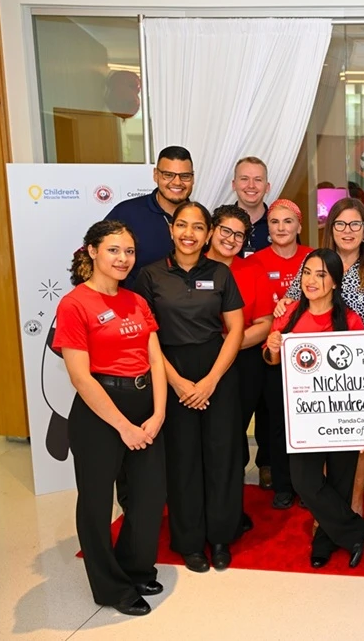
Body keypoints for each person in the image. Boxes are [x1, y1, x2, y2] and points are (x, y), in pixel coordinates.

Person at [53, 220, 166, 617]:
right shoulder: (74, 304)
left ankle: (135, 568)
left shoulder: (136, 300)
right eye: (114, 250)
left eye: (129, 251)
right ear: (92, 251)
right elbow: (80, 377)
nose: (123, 258)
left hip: (144, 406)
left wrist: (158, 415)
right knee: (97, 504)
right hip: (100, 413)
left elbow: (155, 360)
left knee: (149, 497)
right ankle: (110, 587)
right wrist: (123, 427)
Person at [134, 202, 245, 573]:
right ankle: (190, 541)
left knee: (222, 455)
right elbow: (147, 337)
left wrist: (211, 380)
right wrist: (177, 382)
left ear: (208, 233)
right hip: (170, 371)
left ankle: (221, 536)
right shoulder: (150, 276)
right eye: (182, 225)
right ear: (171, 229)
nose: (189, 234)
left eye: (198, 227)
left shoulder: (220, 273)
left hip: (217, 371)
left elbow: (236, 330)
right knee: (182, 460)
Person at [275, 198, 364, 514]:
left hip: (362, 371)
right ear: (331, 229)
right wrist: (282, 306)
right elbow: (292, 301)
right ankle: (329, 510)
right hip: (318, 374)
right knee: (326, 440)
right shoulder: (317, 263)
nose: (347, 230)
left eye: (355, 224)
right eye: (340, 224)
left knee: (360, 443)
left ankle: (354, 504)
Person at [265, 248, 364, 569]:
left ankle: (326, 539)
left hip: (342, 413)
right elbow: (270, 360)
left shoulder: (350, 320)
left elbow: (363, 373)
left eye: (321, 275)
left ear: (335, 282)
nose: (311, 280)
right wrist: (273, 347)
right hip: (302, 415)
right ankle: (355, 530)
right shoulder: (290, 313)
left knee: (340, 480)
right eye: (307, 273)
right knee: (304, 481)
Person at [205, 205, 273, 531]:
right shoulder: (190, 267)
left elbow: (264, 324)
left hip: (243, 363)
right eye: (225, 231)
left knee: (233, 437)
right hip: (196, 363)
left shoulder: (253, 269)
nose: (231, 239)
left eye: (239, 235)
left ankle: (229, 507)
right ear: (211, 230)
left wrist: (227, 344)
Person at [247, 199, 314, 499]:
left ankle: (306, 477)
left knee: (304, 416)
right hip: (269, 348)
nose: (281, 228)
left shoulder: (312, 257)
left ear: (299, 226)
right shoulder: (254, 262)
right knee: (271, 415)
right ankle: (274, 472)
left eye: (288, 221)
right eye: (275, 222)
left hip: (307, 351)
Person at [105, 145, 195, 286]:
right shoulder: (127, 213)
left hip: (188, 299)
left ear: (193, 178)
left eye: (185, 176)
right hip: (135, 299)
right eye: (168, 175)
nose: (177, 182)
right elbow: (97, 259)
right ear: (155, 175)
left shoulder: (200, 219)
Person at [231, 156, 272, 258]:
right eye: (244, 179)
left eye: (258, 180)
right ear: (234, 185)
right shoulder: (219, 224)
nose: (251, 185)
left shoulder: (280, 225)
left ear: (267, 187)